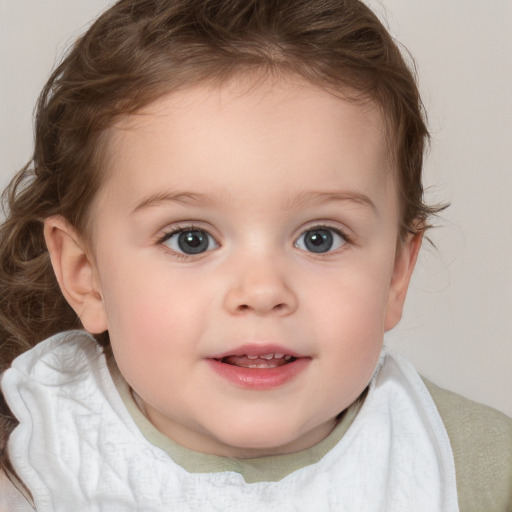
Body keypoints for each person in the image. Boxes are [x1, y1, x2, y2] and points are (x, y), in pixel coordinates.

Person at [0, 0, 510, 510]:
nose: (263, 291)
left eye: (320, 238)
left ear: (397, 274)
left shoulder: (480, 472)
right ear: (85, 274)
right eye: (190, 239)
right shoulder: (29, 466)